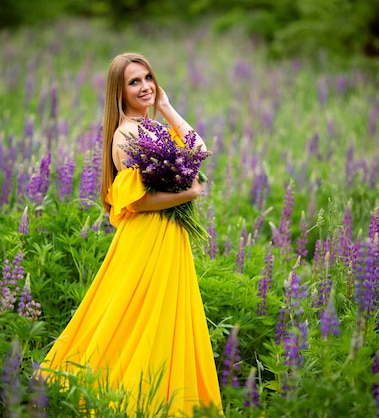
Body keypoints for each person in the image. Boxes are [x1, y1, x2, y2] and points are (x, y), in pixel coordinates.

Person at [36, 52, 223, 416]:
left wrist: (167, 106)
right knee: (136, 316)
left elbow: (199, 150)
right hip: (147, 237)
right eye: (134, 82)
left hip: (170, 236)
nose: (144, 87)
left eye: (148, 78)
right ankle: (132, 398)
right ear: (119, 92)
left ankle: (165, 397)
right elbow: (138, 202)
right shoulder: (125, 136)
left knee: (166, 316)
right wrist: (190, 193)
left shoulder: (152, 127)